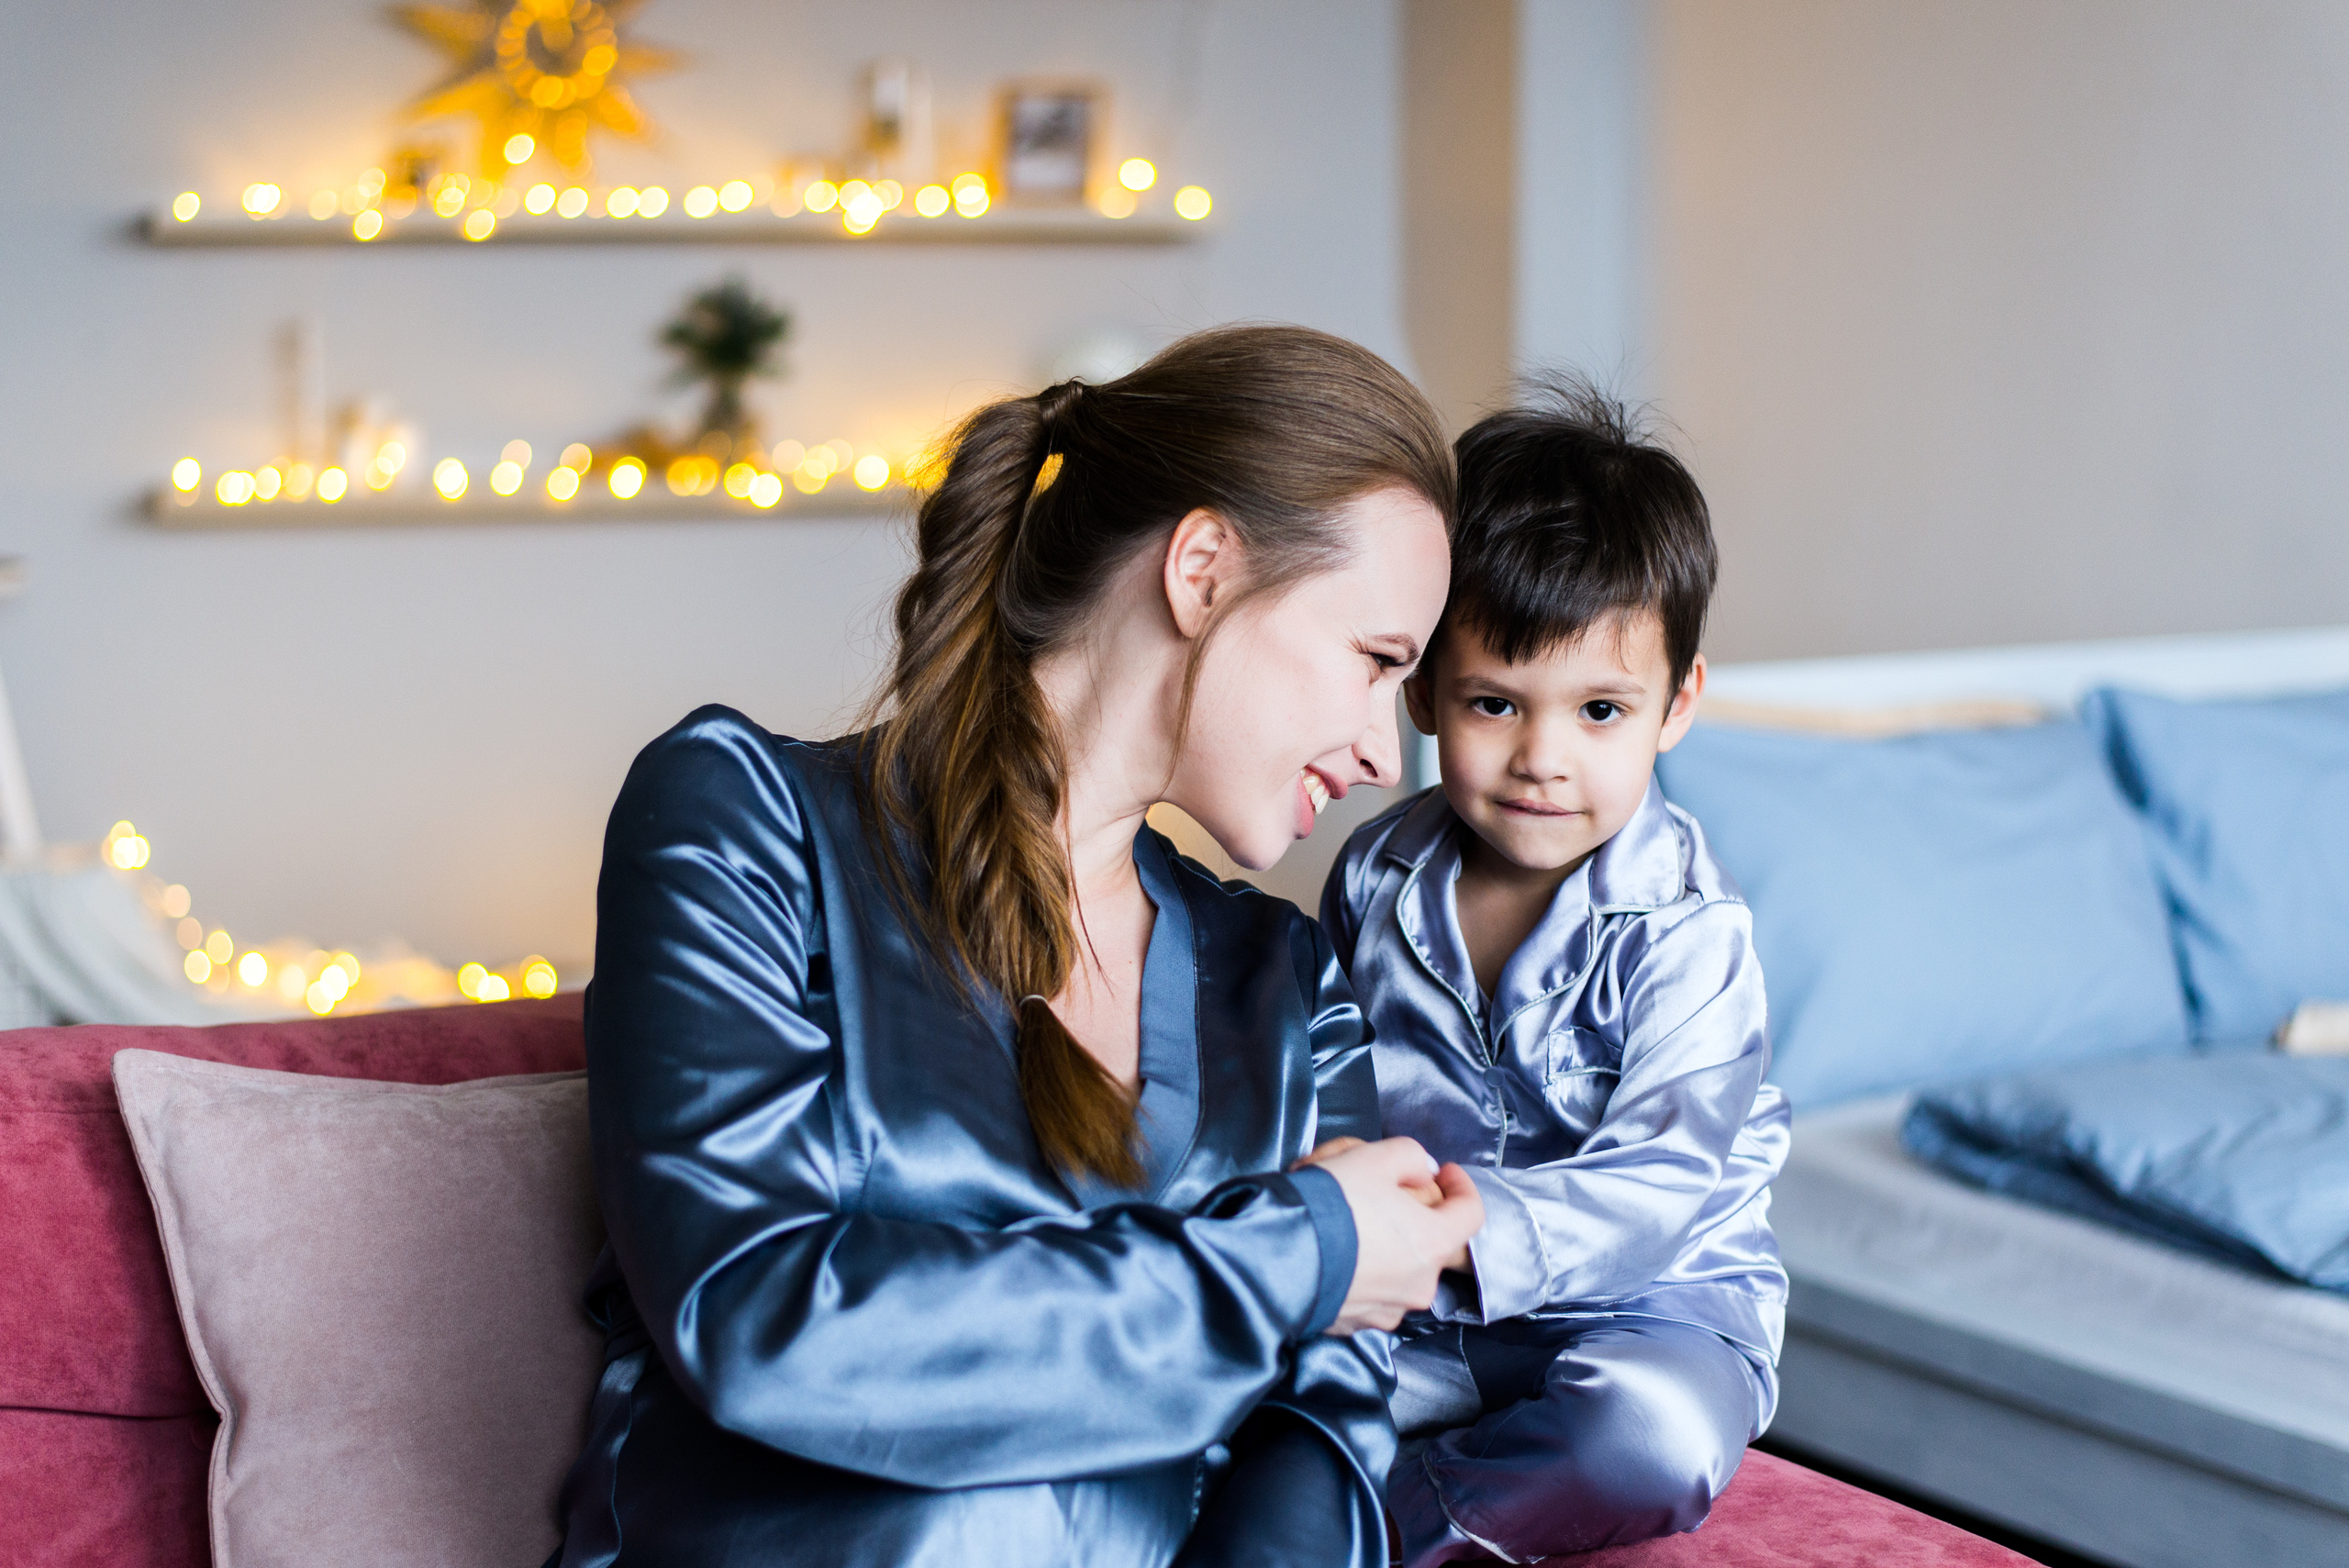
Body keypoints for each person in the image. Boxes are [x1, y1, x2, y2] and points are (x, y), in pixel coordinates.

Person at [545, 324, 1486, 1568]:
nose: (1382, 753)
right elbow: (759, 1316)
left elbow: (1323, 1434)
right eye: (1374, 662)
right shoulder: (745, 822)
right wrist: (1292, 1253)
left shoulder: (1287, 985)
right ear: (1203, 570)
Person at [1319, 383, 1791, 1566]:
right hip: (1421, 1310)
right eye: (1494, 703)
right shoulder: (1377, 871)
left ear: (1676, 704)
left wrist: (1470, 1228)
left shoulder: (1689, 930)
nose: (1543, 758)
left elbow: (1664, 1177)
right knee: (1238, 1383)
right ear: (1422, 691)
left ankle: (1380, 1537)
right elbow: (1327, 1083)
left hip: (1653, 1309)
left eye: (1600, 710)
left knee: (1646, 1440)